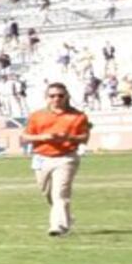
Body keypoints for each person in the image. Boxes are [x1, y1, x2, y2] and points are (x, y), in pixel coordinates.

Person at [24, 82, 91, 237]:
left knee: (60, 193)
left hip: (66, 158)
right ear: (46, 98)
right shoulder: (37, 116)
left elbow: (85, 137)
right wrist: (43, 137)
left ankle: (58, 226)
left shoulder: (78, 116)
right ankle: (66, 216)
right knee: (46, 192)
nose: (56, 99)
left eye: (60, 95)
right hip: (42, 157)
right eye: (52, 96)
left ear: (66, 96)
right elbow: (26, 136)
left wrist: (67, 137)